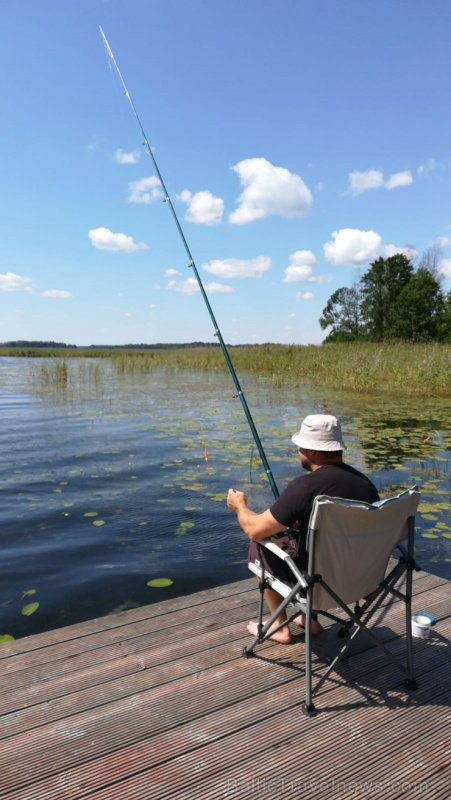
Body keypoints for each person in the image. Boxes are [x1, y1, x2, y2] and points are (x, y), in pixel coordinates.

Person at [227, 414, 379, 644]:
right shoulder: (365, 485)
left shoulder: (305, 487)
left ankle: (279, 627)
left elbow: (254, 529)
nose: (298, 449)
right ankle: (309, 619)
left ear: (313, 451)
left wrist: (240, 507)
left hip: (318, 585)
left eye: (301, 445)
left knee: (260, 545)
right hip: (361, 581)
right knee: (311, 542)